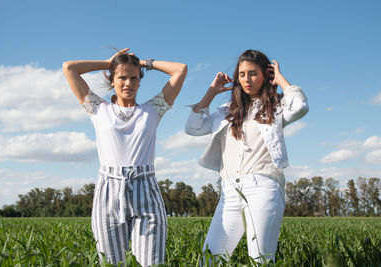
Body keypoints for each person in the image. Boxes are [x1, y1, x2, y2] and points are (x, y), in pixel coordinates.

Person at [62, 48, 187, 266]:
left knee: (152, 263)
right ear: (113, 79)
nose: (128, 82)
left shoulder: (153, 110)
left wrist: (145, 63)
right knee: (111, 263)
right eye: (122, 77)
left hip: (145, 189)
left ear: (140, 81)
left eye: (134, 77)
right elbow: (69, 68)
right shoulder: (98, 109)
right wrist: (107, 63)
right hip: (109, 190)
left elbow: (180, 70)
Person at [185, 50, 308, 264]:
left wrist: (281, 81)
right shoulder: (227, 111)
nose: (246, 79)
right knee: (209, 260)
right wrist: (211, 93)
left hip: (262, 187)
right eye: (242, 74)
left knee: (259, 260)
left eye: (253, 73)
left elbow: (300, 107)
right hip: (229, 191)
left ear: (265, 75)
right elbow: (193, 128)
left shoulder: (276, 107)